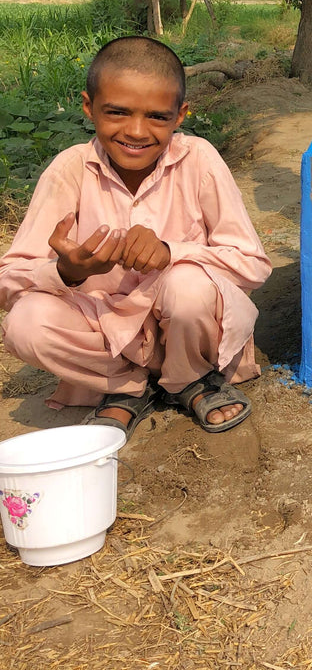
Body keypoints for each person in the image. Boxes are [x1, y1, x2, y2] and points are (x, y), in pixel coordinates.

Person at [0, 36, 272, 439]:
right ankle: (127, 387)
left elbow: (253, 264)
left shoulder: (199, 161)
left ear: (180, 115)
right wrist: (66, 272)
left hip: (189, 332)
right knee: (25, 323)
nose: (137, 132)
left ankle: (190, 380)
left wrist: (171, 252)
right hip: (107, 339)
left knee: (187, 285)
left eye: (157, 117)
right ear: (88, 106)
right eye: (117, 112)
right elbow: (9, 280)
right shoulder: (69, 170)